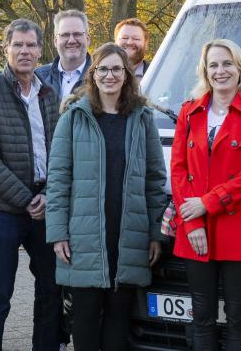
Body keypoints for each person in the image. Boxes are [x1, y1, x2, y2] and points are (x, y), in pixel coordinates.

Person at [46, 43, 168, 350]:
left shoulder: (142, 119)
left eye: (117, 69)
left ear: (127, 75)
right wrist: (58, 232)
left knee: (118, 321)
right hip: (84, 235)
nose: (110, 75)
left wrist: (156, 233)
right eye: (103, 69)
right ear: (93, 74)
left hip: (128, 234)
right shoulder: (73, 118)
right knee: (84, 319)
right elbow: (58, 181)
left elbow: (155, 181)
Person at [169, 38, 241, 351]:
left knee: (238, 317)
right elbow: (178, 171)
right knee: (201, 315)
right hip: (195, 229)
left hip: (239, 228)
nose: (220, 70)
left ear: (239, 69)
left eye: (227, 63)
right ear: (205, 71)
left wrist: (206, 203)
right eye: (213, 64)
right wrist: (192, 223)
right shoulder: (189, 112)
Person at [0, 19, 62, 351]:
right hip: (4, 211)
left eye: (31, 45)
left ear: (40, 50)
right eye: (17, 45)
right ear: (5, 48)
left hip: (46, 206)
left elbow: (60, 151)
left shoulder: (49, 94)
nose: (24, 51)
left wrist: (50, 194)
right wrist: (26, 199)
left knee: (51, 288)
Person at [35, 10, 90, 101]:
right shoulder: (38, 77)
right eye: (65, 35)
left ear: (87, 39)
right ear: (56, 41)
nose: (71, 40)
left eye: (77, 34)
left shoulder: (101, 76)